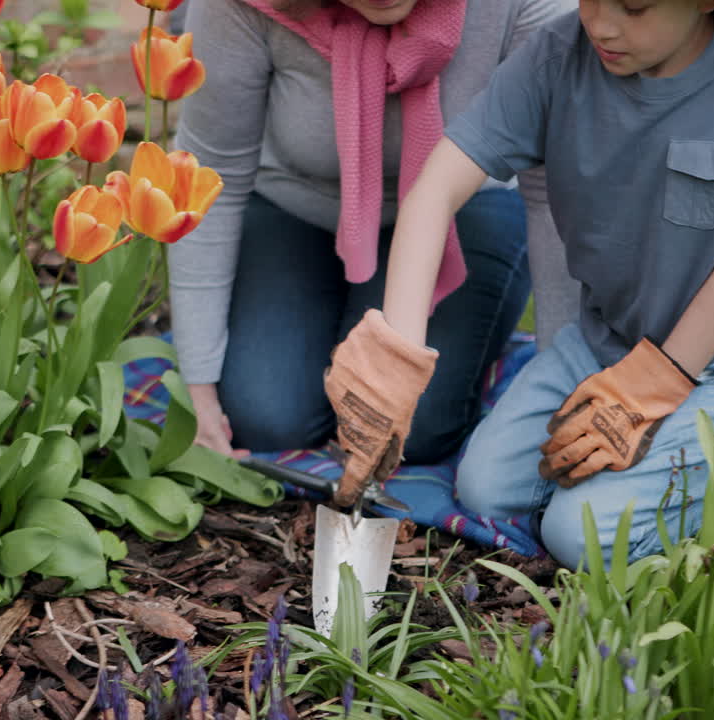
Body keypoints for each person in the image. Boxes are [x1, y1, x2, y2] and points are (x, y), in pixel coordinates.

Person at [323, 0, 714, 566]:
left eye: (633, 7)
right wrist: (396, 359)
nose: (602, 26)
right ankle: (690, 451)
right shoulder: (555, 57)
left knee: (580, 537)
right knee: (485, 492)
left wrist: (653, 386)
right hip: (606, 340)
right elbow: (434, 191)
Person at [168, 0, 582, 464]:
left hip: (466, 212)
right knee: (264, 418)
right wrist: (197, 392)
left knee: (410, 430)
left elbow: (553, 192)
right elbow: (213, 172)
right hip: (294, 203)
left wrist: (563, 384)